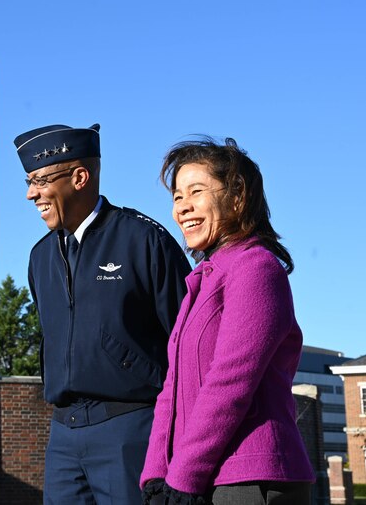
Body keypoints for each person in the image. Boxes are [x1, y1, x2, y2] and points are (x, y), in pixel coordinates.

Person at [14, 124, 191, 504]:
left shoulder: (145, 241)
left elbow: (190, 345)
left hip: (132, 430)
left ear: (79, 177)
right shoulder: (39, 257)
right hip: (63, 436)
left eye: (40, 180)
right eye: (29, 181)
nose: (32, 194)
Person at [140, 137, 315, 505]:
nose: (182, 208)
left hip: (252, 478)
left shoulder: (255, 268)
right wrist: (156, 474)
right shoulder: (202, 279)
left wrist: (183, 478)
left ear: (237, 198)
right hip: (201, 476)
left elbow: (231, 381)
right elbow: (170, 389)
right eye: (176, 197)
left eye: (196, 191)